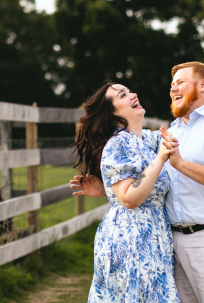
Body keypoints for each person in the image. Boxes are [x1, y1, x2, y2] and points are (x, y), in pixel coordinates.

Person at [71, 62, 204, 303]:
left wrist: (182, 160)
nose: (172, 88)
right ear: (112, 112)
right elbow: (139, 187)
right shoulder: (159, 135)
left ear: (203, 85)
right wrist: (110, 190)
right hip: (158, 242)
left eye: (180, 82)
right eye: (171, 84)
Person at [73, 81, 180, 303]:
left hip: (153, 238)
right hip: (130, 241)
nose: (133, 94)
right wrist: (160, 158)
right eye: (123, 95)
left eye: (129, 90)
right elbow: (129, 198)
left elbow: (139, 184)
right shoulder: (119, 143)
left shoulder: (143, 140)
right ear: (111, 113)